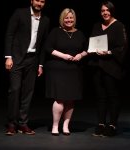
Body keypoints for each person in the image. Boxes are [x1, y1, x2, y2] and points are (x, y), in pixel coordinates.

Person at [4, 0, 50, 135]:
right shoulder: (20, 13)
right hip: (17, 58)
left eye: (42, 1)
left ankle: (23, 123)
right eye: (37, 0)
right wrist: (8, 56)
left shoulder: (46, 20)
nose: (39, 3)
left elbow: (43, 43)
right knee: (15, 90)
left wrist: (41, 64)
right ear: (32, 1)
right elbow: (10, 34)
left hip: (33, 59)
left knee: (28, 92)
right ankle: (11, 124)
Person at [87, 1, 128, 137]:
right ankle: (101, 123)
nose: (105, 13)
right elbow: (92, 42)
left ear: (112, 11)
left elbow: (123, 47)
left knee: (113, 96)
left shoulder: (119, 26)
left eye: (107, 10)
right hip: (97, 65)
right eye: (103, 10)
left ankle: (112, 124)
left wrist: (109, 52)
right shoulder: (96, 26)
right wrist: (93, 50)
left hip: (112, 67)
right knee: (100, 97)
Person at [44, 8, 88, 136]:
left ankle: (66, 125)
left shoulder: (80, 33)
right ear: (62, 19)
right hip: (58, 69)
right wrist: (63, 56)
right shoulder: (56, 32)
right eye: (66, 18)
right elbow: (48, 48)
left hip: (74, 70)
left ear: (74, 19)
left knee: (70, 99)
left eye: (71, 18)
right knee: (59, 99)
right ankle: (55, 125)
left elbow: (88, 49)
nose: (69, 20)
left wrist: (81, 55)